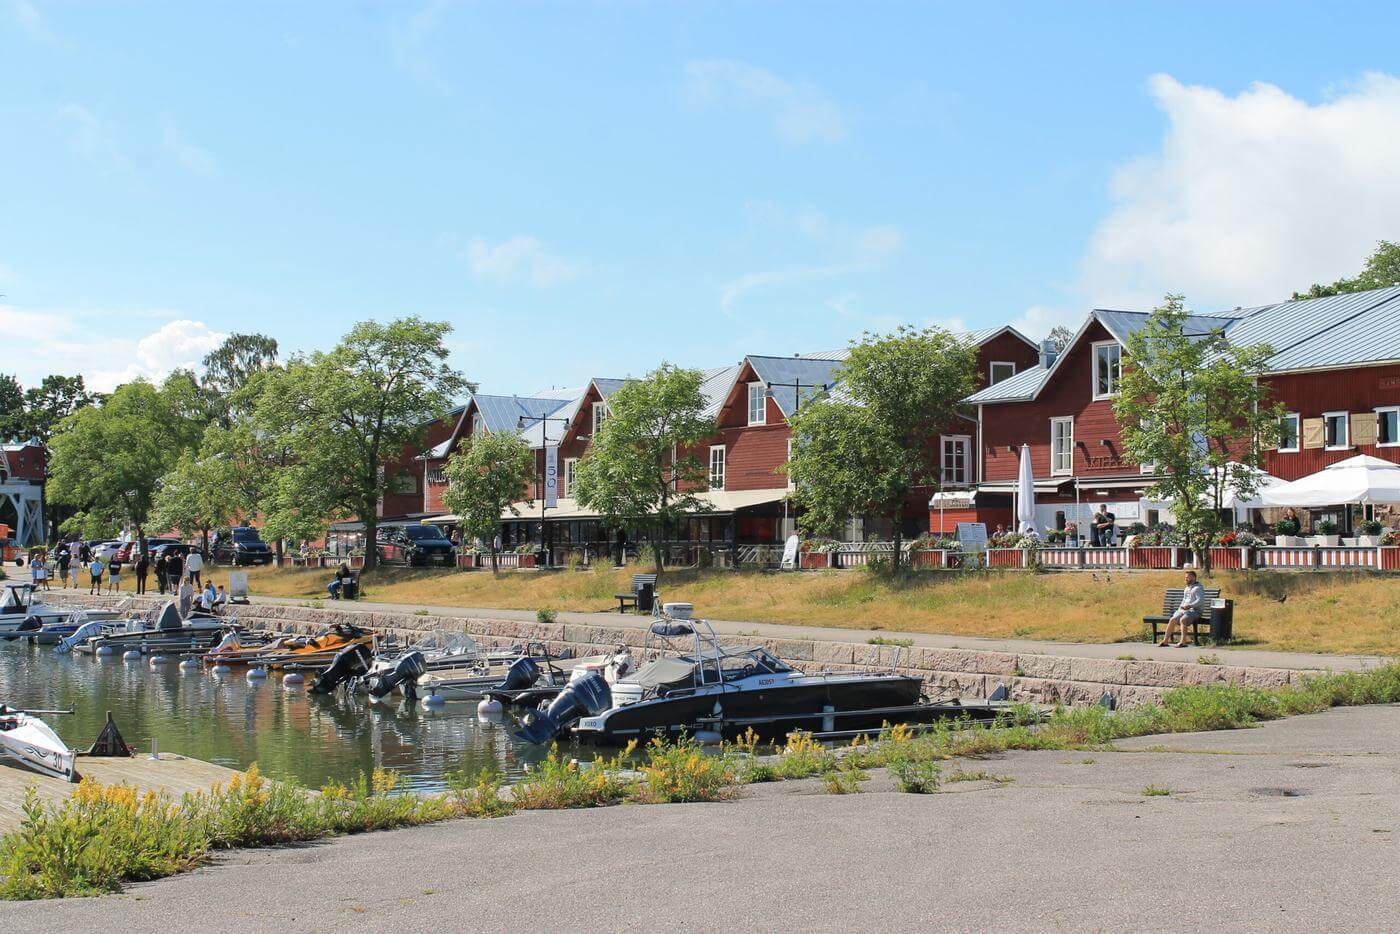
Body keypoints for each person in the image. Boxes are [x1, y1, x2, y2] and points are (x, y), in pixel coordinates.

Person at [1158, 570, 1207, 648]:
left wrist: (1190, 605)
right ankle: (1165, 641)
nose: (1186, 579)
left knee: (1183, 620)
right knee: (1172, 619)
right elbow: (1184, 601)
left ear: (1193, 577)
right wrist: (1179, 610)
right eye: (1185, 577)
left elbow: (1200, 601)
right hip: (1185, 610)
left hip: (1195, 611)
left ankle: (1183, 642)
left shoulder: (1198, 588)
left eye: (1187, 577)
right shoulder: (1187, 588)